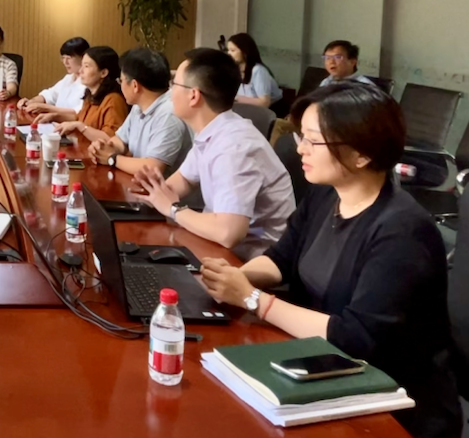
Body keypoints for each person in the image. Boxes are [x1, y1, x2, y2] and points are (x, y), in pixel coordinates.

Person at [200, 83, 460, 438]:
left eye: (312, 140)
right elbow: (281, 258)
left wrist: (252, 299)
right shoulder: (325, 195)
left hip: (393, 404)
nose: (300, 148)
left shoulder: (402, 231)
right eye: (301, 137)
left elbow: (354, 337)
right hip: (322, 368)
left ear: (361, 154)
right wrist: (231, 278)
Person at [134, 48, 295, 260]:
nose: (170, 92)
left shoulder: (234, 146)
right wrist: (153, 191)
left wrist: (173, 209)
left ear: (193, 96)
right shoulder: (212, 131)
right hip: (217, 248)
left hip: (250, 263)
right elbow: (184, 181)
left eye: (175, 84)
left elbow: (229, 233)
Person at [88, 48, 190, 176]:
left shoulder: (169, 115)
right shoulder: (139, 105)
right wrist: (103, 148)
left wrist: (112, 158)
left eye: (121, 81)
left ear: (135, 86)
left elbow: (153, 168)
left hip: (165, 188)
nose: (120, 85)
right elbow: (121, 140)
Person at [34, 46, 128, 145]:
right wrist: (54, 116)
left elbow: (111, 139)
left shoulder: (114, 100)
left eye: (86, 66)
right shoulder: (90, 94)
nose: (80, 71)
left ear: (103, 73)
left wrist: (81, 127)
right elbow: (79, 118)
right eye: (81, 65)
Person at [17, 37, 89, 116]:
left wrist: (45, 108)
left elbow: (79, 112)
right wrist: (30, 102)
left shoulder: (89, 83)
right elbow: (49, 95)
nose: (65, 62)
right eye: (63, 58)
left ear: (83, 57)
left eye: (69, 58)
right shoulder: (68, 78)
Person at [227, 32, 282, 108]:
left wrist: (235, 98)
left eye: (233, 50)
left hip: (272, 110)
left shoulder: (258, 71)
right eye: (228, 50)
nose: (229, 53)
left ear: (245, 52)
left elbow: (265, 102)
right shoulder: (236, 70)